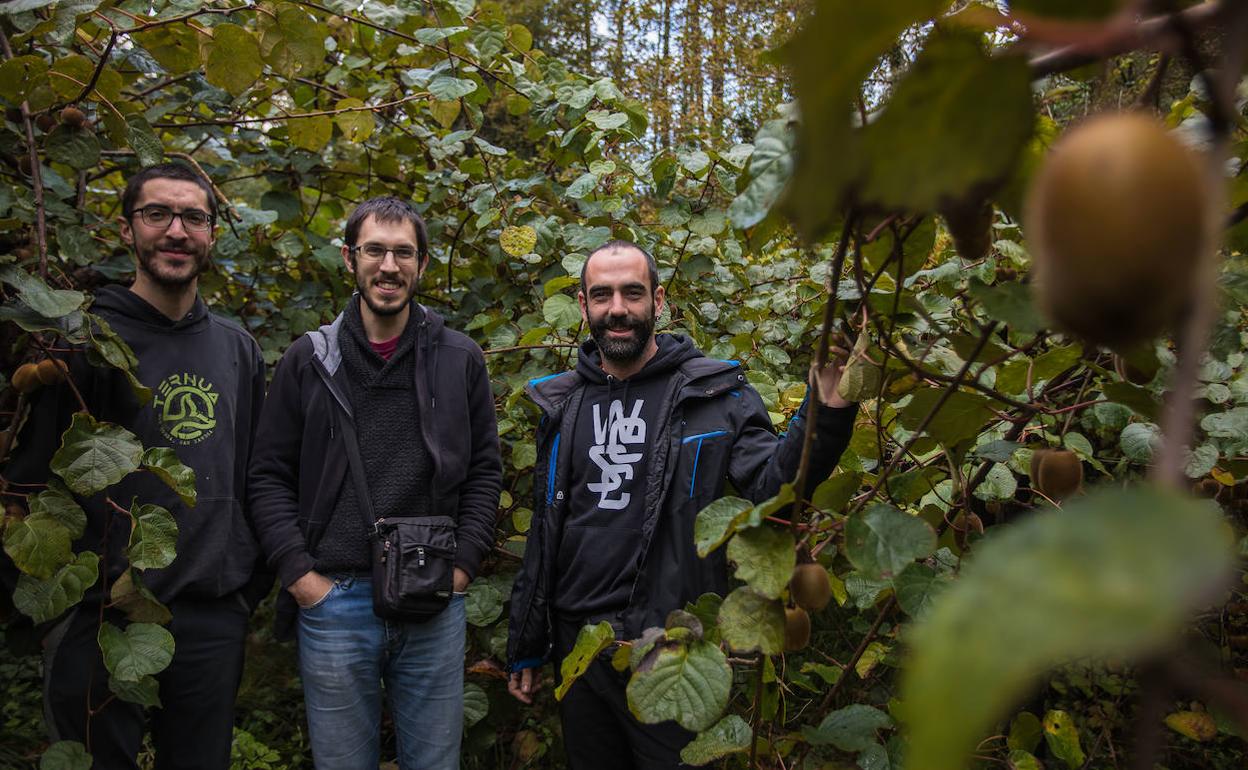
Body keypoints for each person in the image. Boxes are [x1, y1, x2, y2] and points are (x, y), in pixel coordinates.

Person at [505, 240, 858, 768]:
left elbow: (774, 489)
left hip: (671, 645)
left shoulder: (714, 394)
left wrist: (826, 409)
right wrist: (528, 642)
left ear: (659, 301)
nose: (618, 308)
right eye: (602, 295)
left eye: (632, 293)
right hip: (580, 649)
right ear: (583, 306)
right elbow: (549, 532)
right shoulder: (562, 403)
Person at [1, 162, 269, 769]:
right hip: (98, 616)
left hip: (210, 612)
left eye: (193, 217)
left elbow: (256, 473)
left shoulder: (238, 349)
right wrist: (60, 607)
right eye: (157, 214)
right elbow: (31, 485)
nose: (176, 231)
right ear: (127, 231)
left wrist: (244, 587)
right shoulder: (85, 340)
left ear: (212, 233)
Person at [247, 196, 502, 769]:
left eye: (403, 252)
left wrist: (461, 569)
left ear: (423, 265)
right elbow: (267, 477)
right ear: (349, 258)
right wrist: (299, 575)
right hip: (333, 600)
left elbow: (486, 469)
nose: (389, 266)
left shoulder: (458, 359)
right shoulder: (308, 361)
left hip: (433, 597)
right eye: (375, 250)